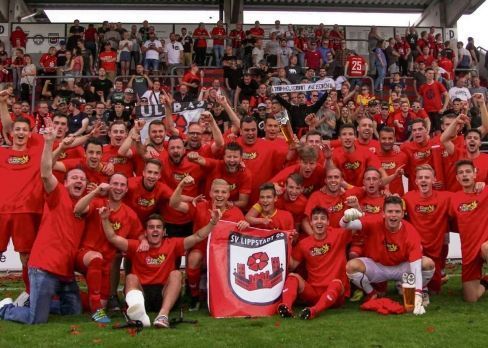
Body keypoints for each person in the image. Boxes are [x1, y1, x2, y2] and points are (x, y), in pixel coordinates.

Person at [0, 122, 87, 324]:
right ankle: (6, 308)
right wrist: (49, 143)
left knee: (74, 311)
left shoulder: (85, 204)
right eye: (74, 178)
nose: (78, 181)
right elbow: (46, 172)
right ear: (64, 182)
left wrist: (83, 133)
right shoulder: (57, 194)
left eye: (82, 179)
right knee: (36, 320)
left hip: (64, 271)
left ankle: (36, 301)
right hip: (44, 268)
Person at [100, 207, 222, 328]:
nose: (155, 230)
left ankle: (163, 315)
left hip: (166, 294)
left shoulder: (173, 244)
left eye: (158, 227)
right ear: (145, 232)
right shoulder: (136, 245)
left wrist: (212, 222)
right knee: (130, 277)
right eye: (151, 227)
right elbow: (113, 238)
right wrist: (105, 219)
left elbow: (197, 237)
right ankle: (139, 313)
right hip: (142, 294)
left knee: (176, 274)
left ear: (163, 232)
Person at [342, 196, 435, 315]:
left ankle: (418, 291)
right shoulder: (374, 221)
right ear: (383, 213)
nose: (393, 215)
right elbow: (346, 225)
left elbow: (416, 268)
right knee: (351, 266)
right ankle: (371, 293)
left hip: (402, 268)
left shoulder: (411, 232)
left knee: (428, 264)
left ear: (402, 214)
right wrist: (346, 218)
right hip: (378, 266)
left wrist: (417, 294)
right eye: (390, 211)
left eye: (397, 212)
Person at [170, 176, 248, 310]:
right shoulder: (200, 207)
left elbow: (244, 239)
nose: (220, 195)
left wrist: (245, 224)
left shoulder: (236, 212)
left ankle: (227, 295)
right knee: (194, 258)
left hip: (223, 254)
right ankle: (194, 296)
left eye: (223, 192)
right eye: (216, 192)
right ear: (210, 193)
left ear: (229, 194)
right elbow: (174, 204)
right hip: (201, 250)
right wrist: (181, 186)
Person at [73, 173, 143, 322]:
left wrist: (144, 242)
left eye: (122, 185)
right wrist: (95, 191)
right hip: (84, 255)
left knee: (100, 303)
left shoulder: (130, 215)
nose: (118, 187)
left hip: (106, 264)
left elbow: (140, 236)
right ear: (109, 186)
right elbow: (77, 209)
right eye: (115, 184)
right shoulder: (98, 202)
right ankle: (96, 310)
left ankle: (66, 297)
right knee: (96, 258)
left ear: (126, 189)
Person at [278, 206, 350, 320]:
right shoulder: (304, 244)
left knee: (336, 283)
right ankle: (286, 307)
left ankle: (314, 311)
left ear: (328, 222)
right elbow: (291, 266)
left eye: (323, 218)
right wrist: (289, 244)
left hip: (335, 294)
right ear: (311, 223)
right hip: (314, 293)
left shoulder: (339, 235)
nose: (319, 221)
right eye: (316, 218)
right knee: (293, 277)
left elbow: (357, 226)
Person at [403, 165, 452, 293]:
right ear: (416, 181)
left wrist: (477, 185)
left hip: (435, 252)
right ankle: (409, 286)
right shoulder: (407, 198)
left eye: (427, 177)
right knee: (409, 291)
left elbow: (465, 196)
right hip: (415, 250)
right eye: (420, 177)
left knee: (435, 290)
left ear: (434, 180)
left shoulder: (445, 197)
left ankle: (429, 283)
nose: (423, 180)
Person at [449, 160, 488, 302]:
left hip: (485, 245)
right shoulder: (453, 198)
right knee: (471, 299)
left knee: (486, 247)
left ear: (475, 174)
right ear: (457, 178)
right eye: (461, 172)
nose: (464, 175)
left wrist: (484, 184)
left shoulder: (485, 191)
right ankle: (485, 281)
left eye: (468, 171)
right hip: (468, 251)